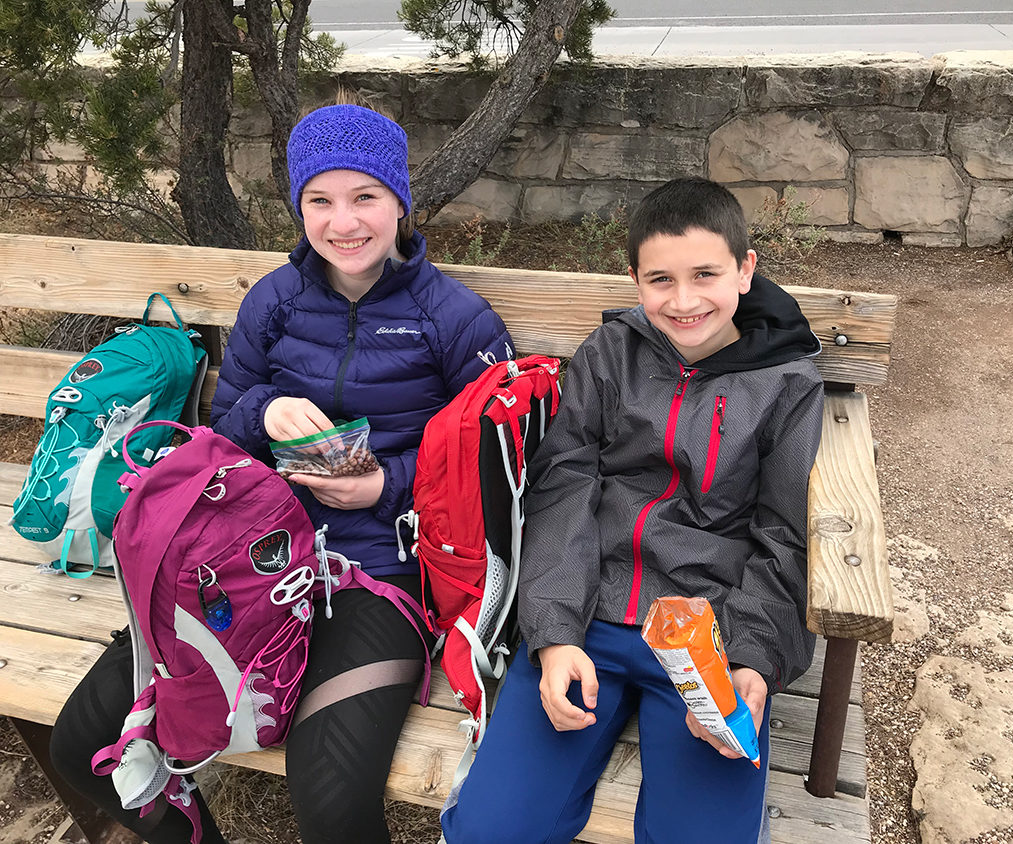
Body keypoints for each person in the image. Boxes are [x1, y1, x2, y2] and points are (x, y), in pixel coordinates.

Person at [49, 96, 513, 844]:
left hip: (381, 577)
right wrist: (263, 410)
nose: (344, 222)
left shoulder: (455, 319)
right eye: (319, 200)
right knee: (87, 748)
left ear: (400, 201)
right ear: (298, 207)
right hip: (247, 563)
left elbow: (493, 464)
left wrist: (384, 485)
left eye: (366, 196)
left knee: (328, 798)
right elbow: (219, 440)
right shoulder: (274, 301)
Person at [440, 177, 824, 844]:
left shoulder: (786, 384)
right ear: (635, 280)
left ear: (745, 268)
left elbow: (784, 535)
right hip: (591, 612)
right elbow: (563, 487)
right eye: (660, 280)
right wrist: (555, 634)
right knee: (490, 829)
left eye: (706, 274)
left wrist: (753, 663)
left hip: (710, 633)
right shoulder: (610, 356)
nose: (684, 301)